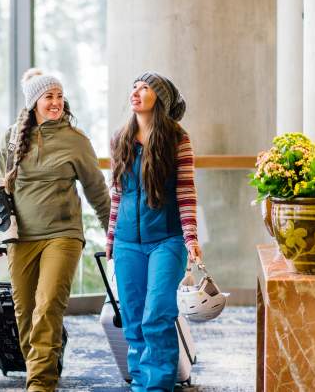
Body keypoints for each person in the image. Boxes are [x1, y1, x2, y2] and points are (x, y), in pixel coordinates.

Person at [0, 69, 110, 391]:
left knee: (47, 306)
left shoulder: (75, 139)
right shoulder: (13, 137)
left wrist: (112, 233)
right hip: (21, 237)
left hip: (63, 234)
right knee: (25, 312)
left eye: (59, 96)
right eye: (48, 97)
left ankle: (40, 383)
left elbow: (97, 190)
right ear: (34, 103)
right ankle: (41, 366)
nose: (55, 102)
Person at [106, 71, 204, 391]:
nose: (135, 92)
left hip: (167, 240)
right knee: (133, 319)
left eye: (144, 87)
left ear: (158, 98)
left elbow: (186, 192)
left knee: (157, 315)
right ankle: (140, 383)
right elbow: (117, 194)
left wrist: (190, 237)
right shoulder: (120, 137)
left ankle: (157, 386)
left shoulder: (177, 138)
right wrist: (110, 240)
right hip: (127, 243)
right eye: (133, 86)